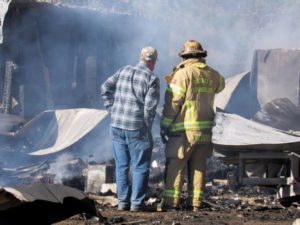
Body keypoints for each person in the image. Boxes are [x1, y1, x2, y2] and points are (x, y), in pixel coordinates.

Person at [160, 40, 225, 211]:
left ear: (185, 56)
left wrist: (165, 124)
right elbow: (221, 85)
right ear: (201, 55)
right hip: (205, 130)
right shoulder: (212, 74)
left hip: (184, 131)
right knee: (198, 168)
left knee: (176, 166)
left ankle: (170, 204)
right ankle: (195, 204)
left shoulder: (182, 74)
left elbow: (173, 103)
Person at [101, 46, 160, 212]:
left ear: (141, 58)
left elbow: (105, 88)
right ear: (153, 62)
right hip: (136, 128)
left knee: (122, 166)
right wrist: (147, 129)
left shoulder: (123, 70)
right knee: (140, 166)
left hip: (116, 125)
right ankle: (136, 204)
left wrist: (111, 109)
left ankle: (122, 203)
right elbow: (150, 109)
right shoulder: (152, 78)